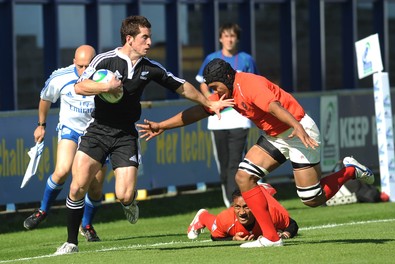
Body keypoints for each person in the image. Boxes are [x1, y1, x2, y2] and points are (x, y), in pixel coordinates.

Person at [137, 58, 375, 248]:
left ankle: (351, 171)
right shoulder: (227, 91)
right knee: (244, 177)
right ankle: (271, 238)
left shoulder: (249, 85)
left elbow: (274, 106)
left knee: (312, 199)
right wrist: (162, 126)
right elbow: (199, 111)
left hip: (297, 130)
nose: (214, 92)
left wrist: (297, 127)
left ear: (226, 78)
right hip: (276, 135)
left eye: (214, 87)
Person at [54, 16, 232, 255]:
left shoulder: (150, 68)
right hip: (97, 130)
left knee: (123, 195)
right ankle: (71, 242)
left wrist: (208, 103)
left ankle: (130, 203)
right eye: (144, 37)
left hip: (126, 135)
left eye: (149, 37)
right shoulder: (105, 60)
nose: (149, 42)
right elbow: (79, 87)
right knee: (77, 187)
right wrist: (105, 87)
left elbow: (182, 86)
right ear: (130, 39)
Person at [23, 45, 106, 242]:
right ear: (73, 62)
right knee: (62, 170)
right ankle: (43, 211)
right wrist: (41, 125)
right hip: (71, 130)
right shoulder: (60, 76)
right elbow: (45, 99)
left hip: (97, 134)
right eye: (80, 66)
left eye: (88, 66)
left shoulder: (104, 78)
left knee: (95, 187)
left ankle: (85, 225)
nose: (84, 70)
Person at [196, 23, 258, 208]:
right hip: (218, 120)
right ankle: (230, 201)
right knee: (223, 167)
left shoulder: (246, 59)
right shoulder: (212, 58)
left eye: (233, 36)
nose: (229, 39)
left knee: (235, 164)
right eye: (226, 36)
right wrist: (209, 99)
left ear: (237, 38)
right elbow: (201, 83)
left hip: (240, 119)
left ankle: (237, 204)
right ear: (220, 38)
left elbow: (254, 84)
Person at [187, 183, 298, 241]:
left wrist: (284, 235)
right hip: (227, 222)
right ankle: (203, 216)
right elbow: (215, 237)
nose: (241, 212)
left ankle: (261, 192)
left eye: (246, 207)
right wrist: (233, 238)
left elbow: (292, 224)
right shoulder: (226, 218)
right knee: (216, 225)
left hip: (261, 207)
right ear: (233, 206)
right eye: (237, 207)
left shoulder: (270, 214)